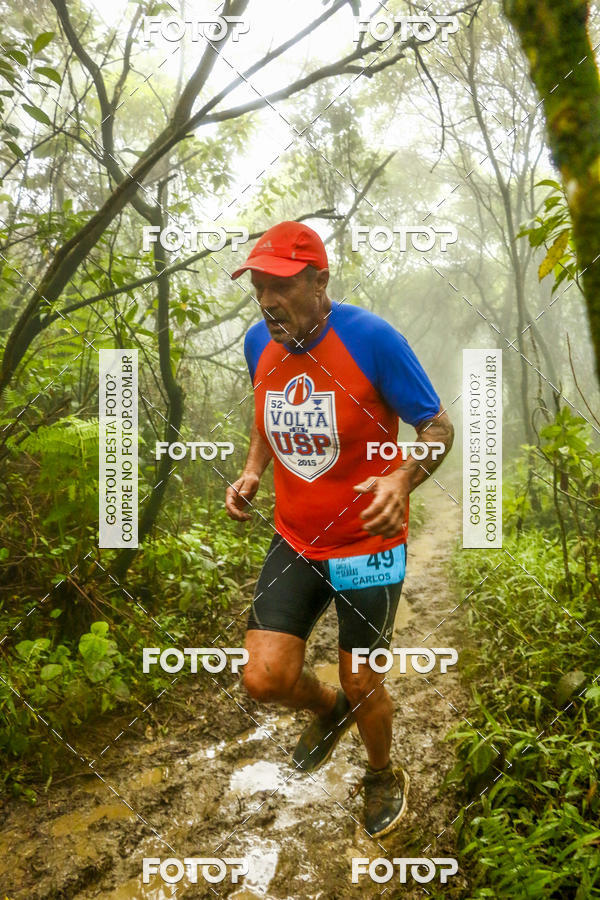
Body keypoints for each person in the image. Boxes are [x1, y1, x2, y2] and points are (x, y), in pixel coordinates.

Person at [225, 220, 454, 837]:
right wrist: (252, 470)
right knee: (264, 677)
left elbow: (437, 428)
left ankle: (382, 772)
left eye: (280, 286)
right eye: (258, 289)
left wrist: (401, 479)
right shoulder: (258, 342)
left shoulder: (373, 339)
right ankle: (327, 712)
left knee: (361, 678)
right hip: (297, 538)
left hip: (368, 545)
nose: (268, 302)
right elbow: (263, 409)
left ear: (319, 280)